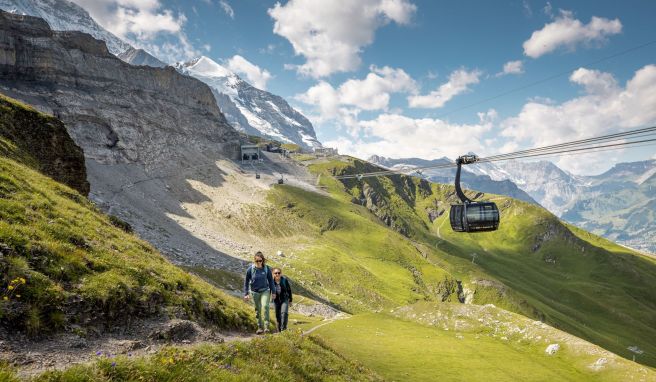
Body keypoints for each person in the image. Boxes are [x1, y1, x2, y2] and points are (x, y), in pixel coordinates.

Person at [243, 252, 276, 334]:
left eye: (260, 260)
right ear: (254, 260)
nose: (258, 262)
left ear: (262, 260)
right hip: (254, 292)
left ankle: (267, 327)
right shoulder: (250, 269)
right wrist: (246, 293)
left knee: (265, 306)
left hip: (265, 291)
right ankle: (260, 328)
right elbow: (246, 282)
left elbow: (271, 281)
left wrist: (274, 292)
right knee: (258, 310)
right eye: (257, 261)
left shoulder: (266, 269)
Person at [272, 267, 293, 332]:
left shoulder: (284, 280)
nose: (277, 274)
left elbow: (289, 290)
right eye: (276, 273)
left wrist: (290, 300)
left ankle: (284, 330)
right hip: (276, 301)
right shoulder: (271, 282)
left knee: (284, 313)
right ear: (273, 274)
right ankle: (279, 330)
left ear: (281, 273)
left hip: (285, 299)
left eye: (279, 273)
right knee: (278, 316)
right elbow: (268, 290)